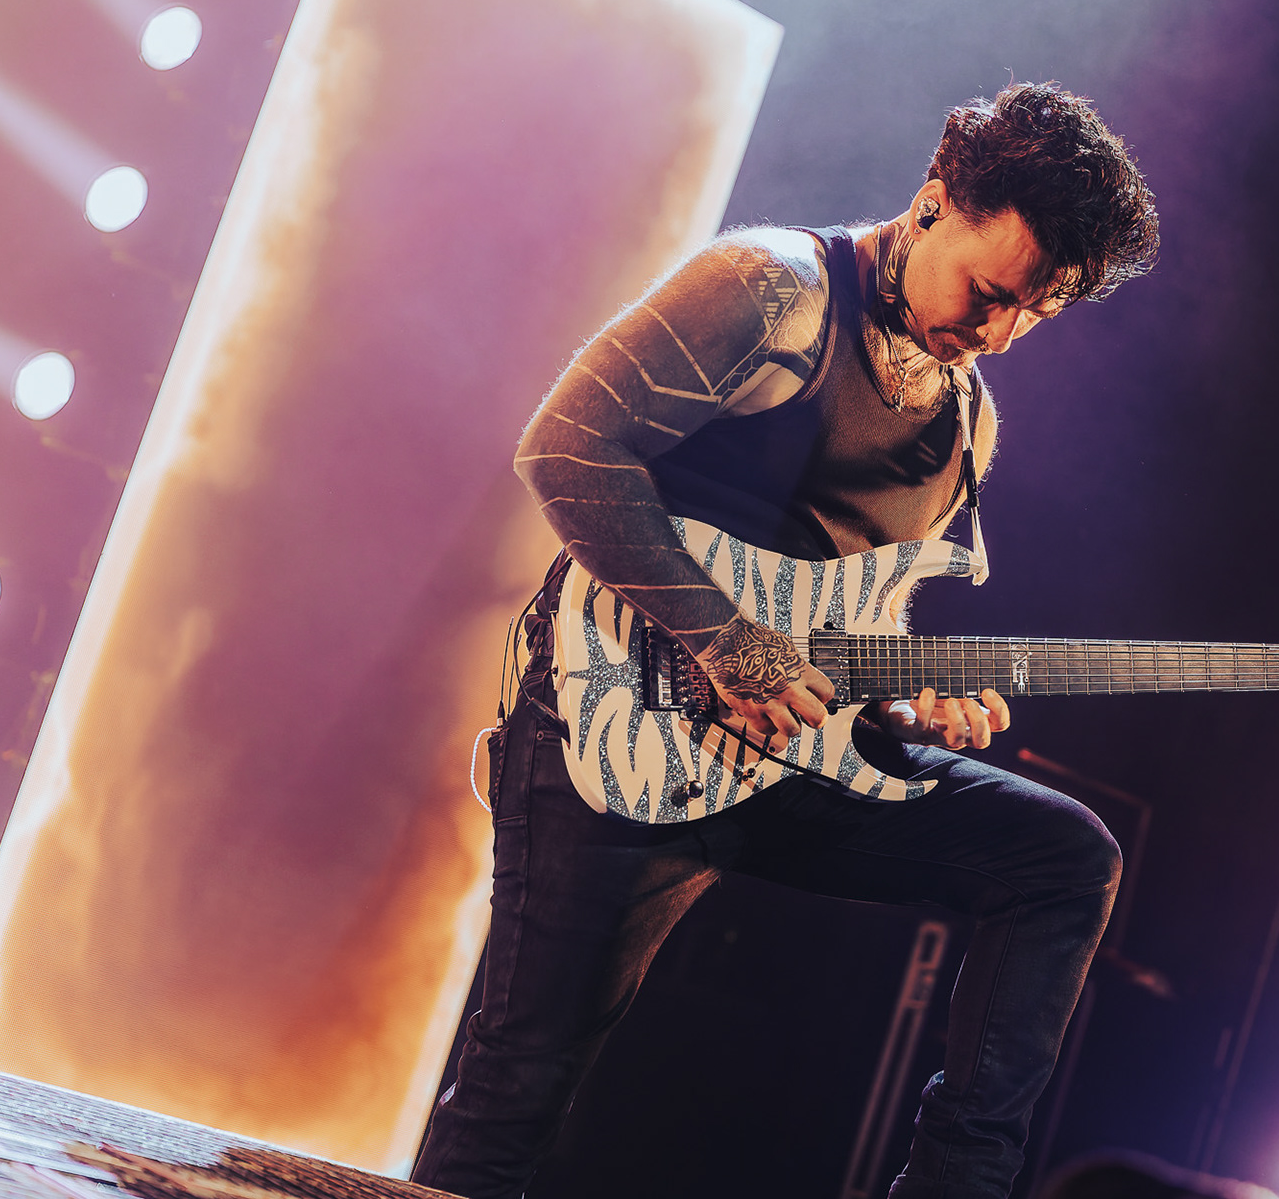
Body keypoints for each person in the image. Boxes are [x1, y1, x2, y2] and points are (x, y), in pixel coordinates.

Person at [411, 81, 1160, 1199]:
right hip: (608, 729)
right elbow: (565, 451)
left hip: (781, 761)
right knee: (516, 1092)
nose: (995, 332)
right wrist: (726, 640)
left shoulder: (970, 422)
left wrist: (908, 702)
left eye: (1032, 316)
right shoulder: (771, 288)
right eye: (989, 292)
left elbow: (861, 624)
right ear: (933, 202)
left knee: (1064, 857)